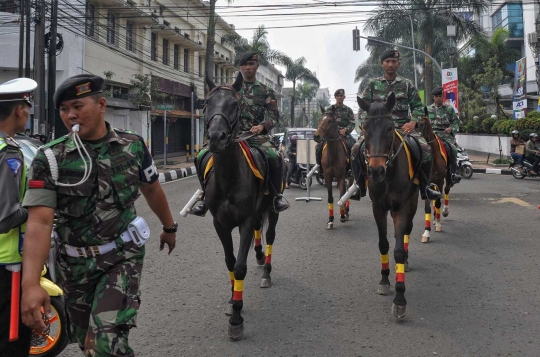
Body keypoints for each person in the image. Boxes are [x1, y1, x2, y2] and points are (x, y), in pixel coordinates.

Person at [20, 74, 178, 356]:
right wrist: (31, 284)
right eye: (64, 109)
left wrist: (169, 227)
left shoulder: (132, 146)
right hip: (73, 267)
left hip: (121, 256)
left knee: (106, 345)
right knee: (88, 345)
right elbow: (40, 221)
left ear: (101, 104)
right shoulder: (51, 158)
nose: (70, 115)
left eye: (78, 106)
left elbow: (152, 189)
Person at [191, 51, 288, 216]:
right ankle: (205, 197)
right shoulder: (230, 89)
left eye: (251, 64)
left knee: (274, 156)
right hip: (230, 137)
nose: (248, 68)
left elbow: (274, 116)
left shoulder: (266, 91)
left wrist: (262, 127)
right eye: (245, 65)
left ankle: (275, 197)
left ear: (257, 66)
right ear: (240, 67)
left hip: (255, 136)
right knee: (200, 156)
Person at [353, 49, 441, 200]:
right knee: (355, 150)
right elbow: (363, 109)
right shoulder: (373, 84)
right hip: (378, 131)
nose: (390, 64)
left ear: (398, 64)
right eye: (387, 61)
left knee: (426, 149)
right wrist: (364, 126)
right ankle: (359, 186)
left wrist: (413, 121)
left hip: (403, 128)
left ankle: (425, 187)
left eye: (394, 62)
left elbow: (418, 108)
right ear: (382, 64)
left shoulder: (407, 85)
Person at [0, 78, 37, 356]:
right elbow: (7, 217)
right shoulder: (9, 153)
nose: (28, 112)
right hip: (8, 265)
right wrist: (38, 209)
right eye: (27, 106)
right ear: (18, 111)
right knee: (13, 344)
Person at [315, 89, 356, 174]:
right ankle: (320, 168)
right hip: (331, 135)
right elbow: (324, 121)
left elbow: (352, 123)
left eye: (341, 96)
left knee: (354, 147)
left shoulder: (348, 110)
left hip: (344, 134)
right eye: (338, 96)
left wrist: (346, 130)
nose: (340, 97)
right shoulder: (330, 110)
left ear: (344, 97)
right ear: (335, 97)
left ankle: (351, 169)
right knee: (318, 147)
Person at [427, 86, 461, 185]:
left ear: (443, 96)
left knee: (453, 149)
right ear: (433, 97)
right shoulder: (428, 109)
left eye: (440, 96)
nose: (438, 98)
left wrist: (451, 129)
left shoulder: (449, 109)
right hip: (432, 135)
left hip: (445, 135)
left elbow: (456, 122)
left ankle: (452, 173)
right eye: (436, 96)